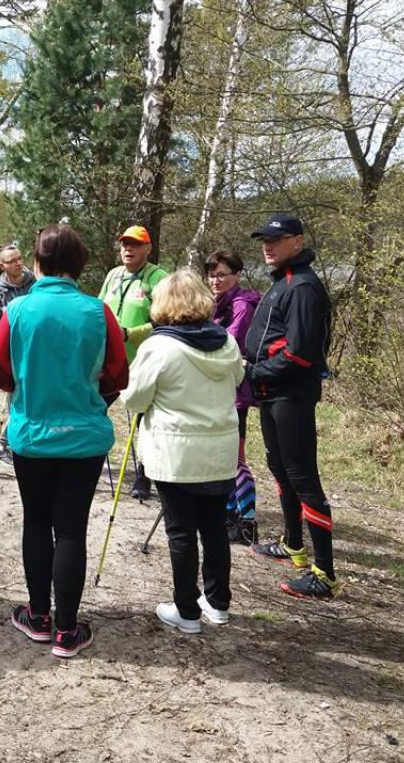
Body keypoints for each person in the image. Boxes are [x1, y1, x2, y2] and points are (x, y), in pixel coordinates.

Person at [0, 224, 128, 658]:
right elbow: (118, 375)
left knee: (36, 522)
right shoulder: (98, 311)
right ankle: (67, 630)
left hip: (32, 434)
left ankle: (38, 616)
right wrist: (92, 397)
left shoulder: (18, 311)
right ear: (80, 264)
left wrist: (30, 388)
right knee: (70, 528)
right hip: (84, 437)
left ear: (37, 263)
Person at [122, 269, 244, 634]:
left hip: (176, 455)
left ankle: (187, 610)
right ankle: (218, 602)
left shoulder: (158, 346)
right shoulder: (225, 342)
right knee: (214, 529)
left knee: (181, 532)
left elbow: (134, 397)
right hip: (219, 451)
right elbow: (237, 378)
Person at [244, 213, 337, 599]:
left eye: (276, 239)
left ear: (297, 243)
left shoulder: (301, 287)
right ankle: (293, 545)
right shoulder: (282, 282)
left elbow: (300, 355)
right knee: (280, 469)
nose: (268, 245)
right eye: (264, 239)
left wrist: (253, 371)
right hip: (272, 393)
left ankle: (325, 573)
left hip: (291, 395)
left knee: (303, 477)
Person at [98, 224, 168, 500]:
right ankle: (85, 459)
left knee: (142, 422)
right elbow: (99, 306)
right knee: (93, 406)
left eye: (135, 244)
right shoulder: (114, 275)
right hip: (108, 360)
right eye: (125, 243)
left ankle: (144, 475)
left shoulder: (159, 278)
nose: (128, 248)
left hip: (142, 361)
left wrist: (131, 333)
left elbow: (165, 320)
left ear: (147, 248)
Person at [205, 250, 261, 545]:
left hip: (236, 392)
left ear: (237, 275)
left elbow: (228, 342)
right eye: (212, 275)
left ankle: (248, 522)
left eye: (222, 274)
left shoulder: (242, 305)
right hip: (221, 388)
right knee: (223, 457)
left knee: (235, 459)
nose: (216, 280)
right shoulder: (217, 303)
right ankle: (229, 516)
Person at [0, 242, 36, 466]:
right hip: (15, 356)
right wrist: (5, 342)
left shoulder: (35, 284)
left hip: (37, 350)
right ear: (2, 265)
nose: (18, 263)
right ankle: (1, 445)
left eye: (19, 258)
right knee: (17, 399)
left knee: (31, 398)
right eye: (12, 261)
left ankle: (11, 443)